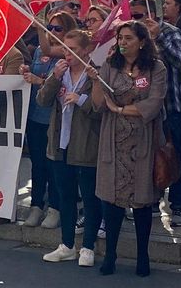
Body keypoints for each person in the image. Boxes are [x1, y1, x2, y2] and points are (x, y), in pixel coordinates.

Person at [87, 21, 167, 277]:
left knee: (142, 203)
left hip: (143, 140)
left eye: (128, 38)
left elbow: (153, 105)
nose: (122, 42)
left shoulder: (156, 68)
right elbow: (99, 105)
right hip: (114, 140)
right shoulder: (111, 65)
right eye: (120, 37)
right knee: (112, 202)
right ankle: (110, 254)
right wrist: (96, 81)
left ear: (142, 42)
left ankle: (143, 256)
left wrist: (120, 109)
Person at [38, 30, 102, 267]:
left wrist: (81, 100)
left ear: (86, 50)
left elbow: (101, 109)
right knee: (65, 196)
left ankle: (87, 246)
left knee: (89, 197)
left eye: (74, 49)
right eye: (65, 49)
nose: (69, 54)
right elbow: (42, 101)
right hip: (60, 143)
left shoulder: (95, 74)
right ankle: (66, 244)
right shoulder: (60, 71)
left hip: (85, 145)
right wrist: (54, 77)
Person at [130, 0, 181, 226]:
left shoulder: (171, 32)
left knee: (174, 157)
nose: (134, 20)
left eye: (138, 16)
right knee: (148, 158)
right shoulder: (134, 37)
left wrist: (157, 38)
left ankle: (178, 206)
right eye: (131, 15)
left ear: (150, 14)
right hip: (145, 110)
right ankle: (152, 201)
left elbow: (180, 61)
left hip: (171, 107)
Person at [20, 11, 77, 229]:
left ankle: (55, 206)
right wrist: (26, 71)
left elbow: (60, 83)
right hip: (35, 115)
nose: (52, 32)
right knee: (37, 164)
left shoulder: (70, 55)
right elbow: (39, 61)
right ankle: (36, 205)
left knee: (54, 164)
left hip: (55, 118)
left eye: (57, 28)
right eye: (49, 27)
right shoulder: (38, 55)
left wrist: (40, 79)